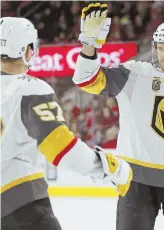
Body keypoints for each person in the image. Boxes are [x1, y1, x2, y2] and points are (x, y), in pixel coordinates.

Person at [73, 3, 164, 230]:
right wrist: (89, 44)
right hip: (136, 180)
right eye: (160, 48)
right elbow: (86, 79)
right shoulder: (134, 74)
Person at [0, 17, 132, 230]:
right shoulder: (28, 89)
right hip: (20, 207)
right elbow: (60, 147)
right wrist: (111, 169)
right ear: (27, 50)